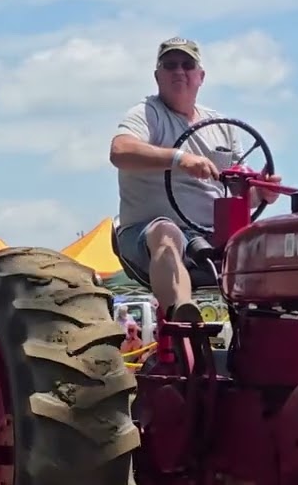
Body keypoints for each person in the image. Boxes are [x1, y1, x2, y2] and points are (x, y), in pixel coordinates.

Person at [109, 37, 281, 323]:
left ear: (200, 76)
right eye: (170, 65)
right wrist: (180, 160)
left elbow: (240, 193)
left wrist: (261, 191)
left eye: (187, 65)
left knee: (271, 242)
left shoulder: (221, 126)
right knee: (167, 233)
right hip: (144, 235)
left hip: (211, 237)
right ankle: (183, 318)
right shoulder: (146, 114)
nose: (179, 71)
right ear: (157, 76)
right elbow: (120, 151)